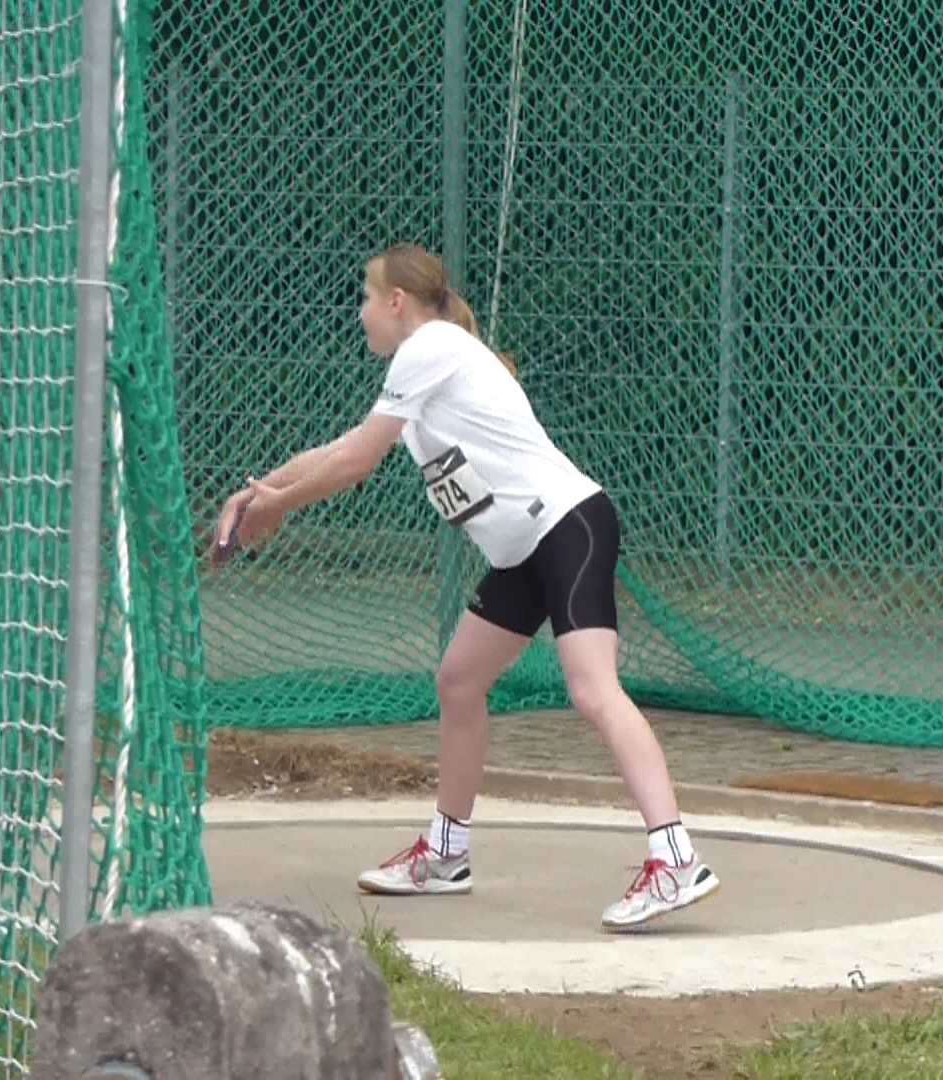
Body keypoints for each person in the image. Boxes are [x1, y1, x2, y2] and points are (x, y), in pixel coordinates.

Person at [213, 243, 721, 930]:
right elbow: (342, 447)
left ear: (398, 302)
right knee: (458, 681)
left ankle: (676, 859)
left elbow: (357, 462)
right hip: (524, 551)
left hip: (568, 527)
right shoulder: (420, 376)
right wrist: (259, 493)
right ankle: (446, 854)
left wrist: (279, 505)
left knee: (592, 690)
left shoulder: (431, 346)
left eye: (366, 297)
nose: (360, 312)